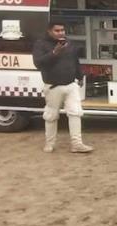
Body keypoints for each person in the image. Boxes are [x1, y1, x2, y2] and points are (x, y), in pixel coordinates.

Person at [32, 21, 93, 153]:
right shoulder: (41, 44)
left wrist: (80, 75)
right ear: (49, 31)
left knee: (75, 113)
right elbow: (38, 63)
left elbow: (75, 60)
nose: (61, 33)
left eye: (62, 30)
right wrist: (54, 52)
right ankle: (50, 144)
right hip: (53, 86)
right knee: (51, 116)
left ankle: (77, 144)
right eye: (57, 30)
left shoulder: (68, 43)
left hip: (71, 85)